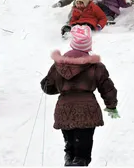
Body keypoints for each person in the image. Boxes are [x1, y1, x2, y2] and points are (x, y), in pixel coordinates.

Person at [41, 25, 119, 166]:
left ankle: (70, 160)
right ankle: (80, 162)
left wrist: (52, 84)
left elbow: (49, 88)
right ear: (88, 47)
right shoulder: (96, 67)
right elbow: (107, 88)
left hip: (64, 110)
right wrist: (111, 105)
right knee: (83, 146)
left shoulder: (58, 65)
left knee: (70, 144)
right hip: (87, 111)